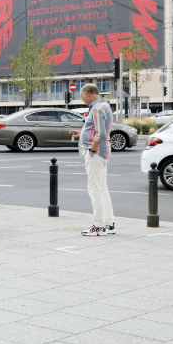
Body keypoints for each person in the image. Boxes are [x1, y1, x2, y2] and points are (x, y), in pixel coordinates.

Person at [73, 84, 115, 236]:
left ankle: (99, 226)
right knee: (102, 189)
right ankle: (109, 223)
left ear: (90, 94)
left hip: (96, 153)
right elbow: (97, 129)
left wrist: (91, 149)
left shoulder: (96, 109)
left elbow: (100, 133)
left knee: (94, 189)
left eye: (83, 96)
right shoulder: (105, 106)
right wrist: (81, 133)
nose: (82, 99)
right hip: (103, 152)